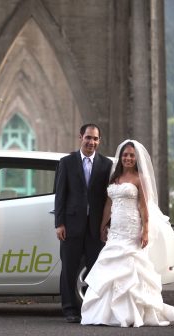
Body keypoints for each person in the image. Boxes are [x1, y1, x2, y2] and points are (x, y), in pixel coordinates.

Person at [81, 140, 174, 327]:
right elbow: (108, 204)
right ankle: (107, 314)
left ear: (136, 158)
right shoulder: (114, 178)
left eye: (131, 155)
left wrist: (145, 230)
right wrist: (102, 225)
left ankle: (134, 312)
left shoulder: (139, 178)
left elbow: (144, 207)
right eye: (125, 155)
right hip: (116, 230)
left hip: (132, 228)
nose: (128, 158)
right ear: (120, 157)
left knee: (131, 268)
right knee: (110, 268)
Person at [54, 124, 113, 323]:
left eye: (95, 139)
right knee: (69, 268)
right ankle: (70, 309)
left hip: (96, 228)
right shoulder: (67, 162)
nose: (91, 142)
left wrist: (107, 225)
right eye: (88, 138)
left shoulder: (106, 165)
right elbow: (60, 196)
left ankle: (93, 308)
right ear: (80, 137)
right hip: (70, 226)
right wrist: (59, 223)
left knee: (95, 268)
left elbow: (109, 198)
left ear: (99, 141)